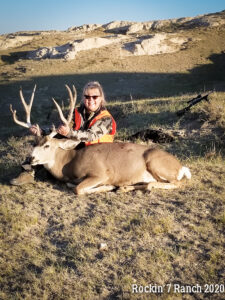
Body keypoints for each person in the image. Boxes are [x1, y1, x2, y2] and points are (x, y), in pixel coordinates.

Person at [10, 81, 117, 185]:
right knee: (46, 141)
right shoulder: (76, 113)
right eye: (87, 97)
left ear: (101, 98)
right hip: (78, 150)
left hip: (97, 155)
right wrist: (42, 132)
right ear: (83, 98)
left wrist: (70, 133)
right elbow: (60, 130)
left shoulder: (106, 119)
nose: (91, 100)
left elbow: (91, 136)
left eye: (95, 97)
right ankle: (27, 172)